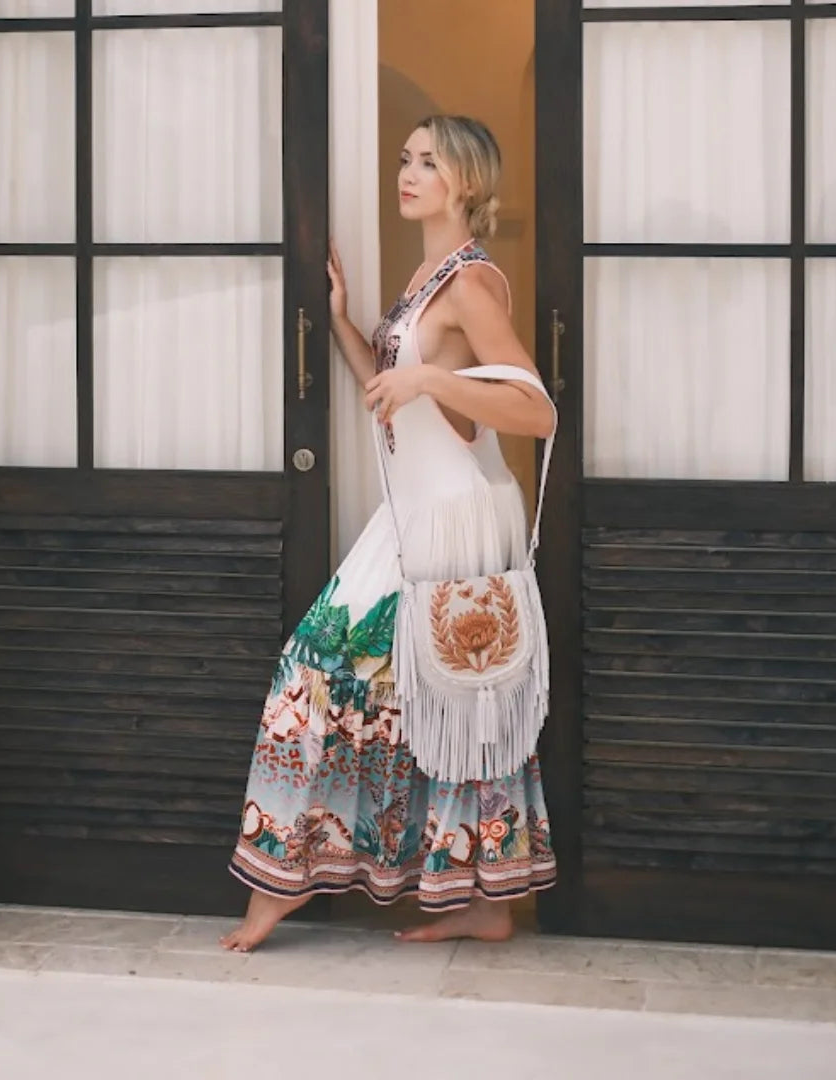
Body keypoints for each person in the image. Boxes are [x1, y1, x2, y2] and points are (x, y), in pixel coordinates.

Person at [221, 115, 557, 953]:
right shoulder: (429, 276)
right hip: (414, 514)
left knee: (335, 675)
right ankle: (479, 898)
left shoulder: (473, 284)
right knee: (442, 701)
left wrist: (434, 375)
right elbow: (393, 391)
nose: (407, 173)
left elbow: (537, 411)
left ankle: (289, 883)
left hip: (454, 520)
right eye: (405, 159)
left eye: (428, 163)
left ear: (467, 184)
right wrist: (343, 322)